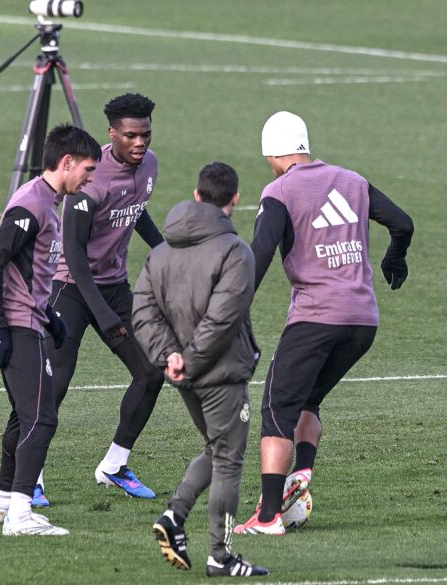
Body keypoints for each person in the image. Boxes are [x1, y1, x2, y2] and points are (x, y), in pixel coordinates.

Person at [235, 111, 414, 535]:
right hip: (362, 321)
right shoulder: (352, 180)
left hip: (316, 318)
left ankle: (267, 517)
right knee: (307, 401)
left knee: (277, 408)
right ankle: (303, 474)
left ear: (271, 153)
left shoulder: (279, 190)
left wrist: (232, 311)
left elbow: (257, 258)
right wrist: (394, 257)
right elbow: (403, 223)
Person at [133, 162, 268, 577]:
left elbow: (142, 310)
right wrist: (189, 357)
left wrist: (170, 357)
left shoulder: (160, 253)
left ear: (196, 196)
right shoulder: (234, 252)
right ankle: (220, 556)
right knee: (229, 459)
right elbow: (222, 319)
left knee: (216, 447)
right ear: (235, 201)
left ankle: (174, 517)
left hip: (183, 376)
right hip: (220, 375)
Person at [39, 93, 166, 505]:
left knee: (151, 372)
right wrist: (104, 315)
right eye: (131, 135)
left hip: (114, 285)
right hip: (71, 289)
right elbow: (73, 253)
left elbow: (136, 207)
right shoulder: (91, 178)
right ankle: (31, 476)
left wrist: (163, 248)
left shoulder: (150, 165)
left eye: (145, 134)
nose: (140, 142)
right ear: (112, 134)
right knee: (53, 384)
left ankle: (114, 465)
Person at [0, 123, 101, 536]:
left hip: (29, 319)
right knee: (41, 419)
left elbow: (27, 271)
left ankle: (2, 502)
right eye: (87, 169)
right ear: (66, 162)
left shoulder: (49, 202)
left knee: (23, 416)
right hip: (14, 324)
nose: (90, 178)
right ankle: (20, 515)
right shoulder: (31, 205)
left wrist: (50, 315)